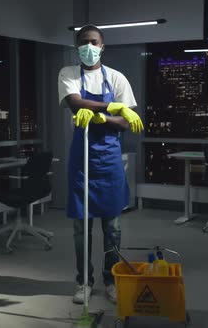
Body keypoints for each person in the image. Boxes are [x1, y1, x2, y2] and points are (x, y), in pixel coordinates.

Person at [58, 25, 143, 304]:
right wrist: (112, 108)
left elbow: (126, 122)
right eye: (84, 42)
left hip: (109, 161)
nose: (89, 47)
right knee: (81, 229)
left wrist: (102, 117)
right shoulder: (68, 74)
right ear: (77, 46)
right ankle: (83, 281)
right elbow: (74, 102)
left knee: (113, 228)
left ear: (103, 46)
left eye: (94, 42)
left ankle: (111, 279)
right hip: (82, 162)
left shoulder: (117, 78)